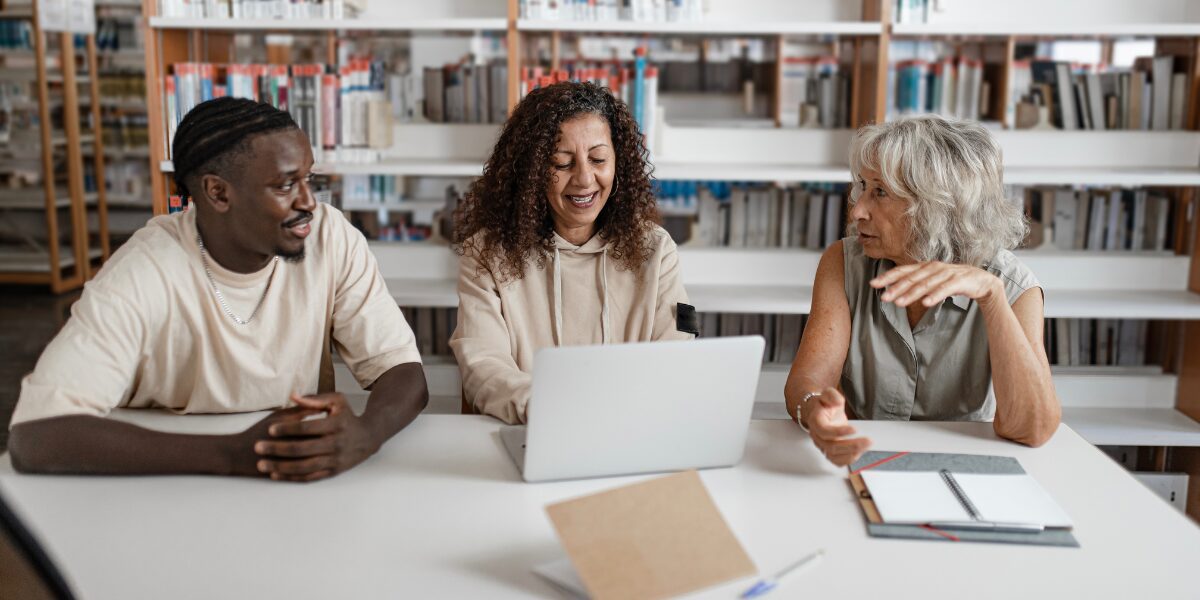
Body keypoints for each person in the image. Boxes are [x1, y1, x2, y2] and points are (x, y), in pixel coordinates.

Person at [7, 98, 428, 481]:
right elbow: (36, 435)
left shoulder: (329, 236)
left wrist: (367, 434)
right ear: (217, 192)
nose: (309, 202)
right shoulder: (143, 270)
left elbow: (403, 372)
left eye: (309, 179)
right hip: (160, 489)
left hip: (293, 486)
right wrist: (231, 454)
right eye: (285, 185)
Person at [784, 115, 1060, 466]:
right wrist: (815, 413)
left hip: (966, 467)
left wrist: (992, 299)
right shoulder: (844, 262)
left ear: (937, 206)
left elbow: (1033, 429)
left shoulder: (1013, 286)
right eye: (862, 188)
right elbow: (806, 382)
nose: (857, 210)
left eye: (879, 192)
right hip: (863, 460)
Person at [450, 81, 695, 424]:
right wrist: (551, 410)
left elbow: (675, 358)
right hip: (532, 431)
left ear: (618, 164)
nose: (584, 179)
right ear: (532, 171)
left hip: (631, 432)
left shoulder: (656, 250)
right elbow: (483, 366)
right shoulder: (488, 254)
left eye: (598, 159)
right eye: (562, 163)